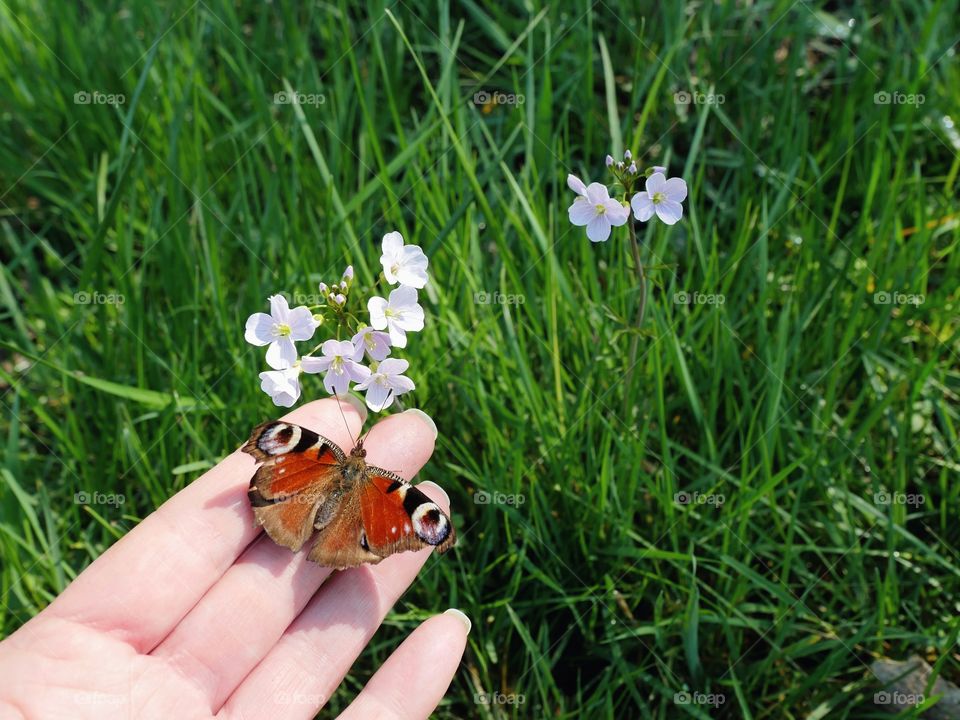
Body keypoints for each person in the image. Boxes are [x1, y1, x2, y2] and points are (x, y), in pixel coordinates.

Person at [0, 397, 469, 719]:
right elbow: (278, 440)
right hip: (333, 523)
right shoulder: (384, 486)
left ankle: (315, 532)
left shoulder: (328, 458)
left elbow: (282, 439)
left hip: (326, 519)